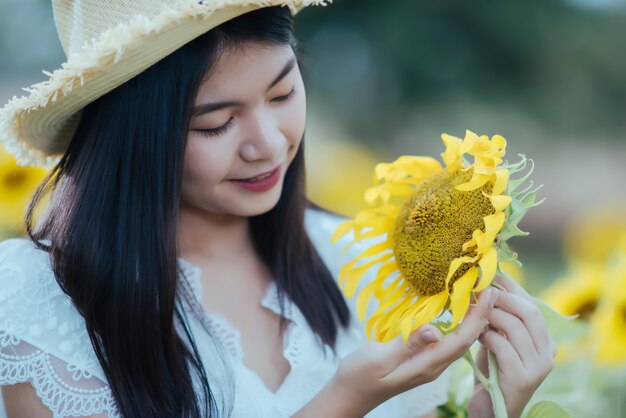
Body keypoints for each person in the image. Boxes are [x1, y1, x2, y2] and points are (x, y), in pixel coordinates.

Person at [0, 1, 556, 417]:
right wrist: (342, 402)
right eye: (216, 123)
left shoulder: (364, 265)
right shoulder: (35, 301)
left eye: (283, 93)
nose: (266, 144)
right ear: (132, 137)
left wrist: (491, 401)